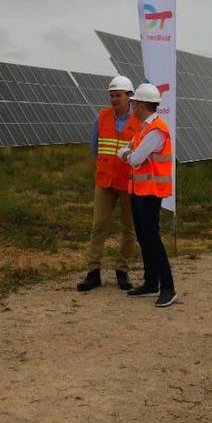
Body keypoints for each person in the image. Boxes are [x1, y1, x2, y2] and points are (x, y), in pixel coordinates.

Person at [76, 75, 140, 292]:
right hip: (105, 181)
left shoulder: (139, 121)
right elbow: (95, 148)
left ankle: (123, 271)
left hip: (129, 183)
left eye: (118, 95)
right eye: (111, 95)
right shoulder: (101, 117)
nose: (114, 99)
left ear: (129, 96)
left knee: (128, 228)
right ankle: (93, 273)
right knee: (98, 226)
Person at [116, 83, 177, 308]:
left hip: (151, 192)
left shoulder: (155, 130)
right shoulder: (144, 128)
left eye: (133, 103)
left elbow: (134, 158)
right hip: (140, 191)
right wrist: (127, 152)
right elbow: (128, 150)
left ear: (141, 104)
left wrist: (127, 153)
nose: (131, 107)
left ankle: (168, 287)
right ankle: (151, 282)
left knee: (152, 238)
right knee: (144, 236)